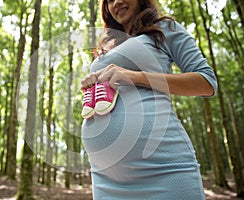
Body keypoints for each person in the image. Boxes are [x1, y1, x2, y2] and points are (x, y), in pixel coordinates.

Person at [80, 0, 217, 199]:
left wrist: (136, 76)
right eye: (109, 0)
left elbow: (207, 82)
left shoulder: (164, 29)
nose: (116, 2)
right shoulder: (106, 48)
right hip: (106, 176)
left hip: (161, 168)